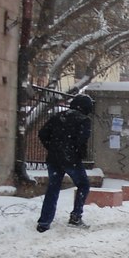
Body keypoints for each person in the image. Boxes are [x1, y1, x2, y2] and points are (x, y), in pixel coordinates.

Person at [36, 93, 94, 231]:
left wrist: (52, 147)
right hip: (71, 160)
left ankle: (44, 222)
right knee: (83, 185)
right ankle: (76, 217)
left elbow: (43, 133)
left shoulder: (58, 116)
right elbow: (81, 141)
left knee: (53, 187)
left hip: (54, 159)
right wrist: (78, 155)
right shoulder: (83, 120)